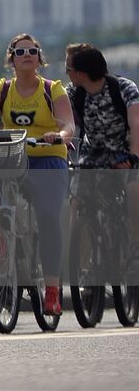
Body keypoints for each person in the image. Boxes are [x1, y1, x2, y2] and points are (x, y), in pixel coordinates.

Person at [0, 33, 74, 316]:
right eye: (20, 52)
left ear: (39, 58)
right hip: (13, 156)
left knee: (48, 217)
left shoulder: (52, 89)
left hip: (47, 157)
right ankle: (0, 232)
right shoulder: (2, 89)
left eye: (32, 51)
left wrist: (59, 136)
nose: (27, 56)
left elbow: (68, 125)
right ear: (11, 59)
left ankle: (52, 289)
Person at [64, 42, 139, 271]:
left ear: (81, 73)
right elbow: (61, 120)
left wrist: (134, 157)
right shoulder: (73, 93)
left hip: (124, 152)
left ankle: (135, 248)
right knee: (77, 201)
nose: (68, 74)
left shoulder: (123, 88)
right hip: (92, 154)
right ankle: (84, 265)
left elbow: (136, 123)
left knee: (133, 189)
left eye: (69, 70)